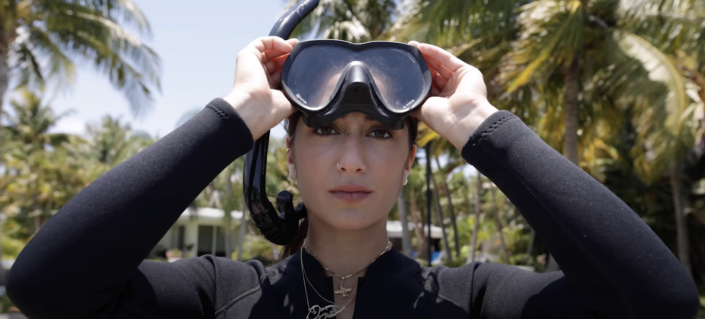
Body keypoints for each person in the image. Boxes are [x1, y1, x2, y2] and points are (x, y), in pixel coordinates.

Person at [6, 37, 701, 319]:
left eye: (378, 136)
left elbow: (661, 304)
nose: (349, 160)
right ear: (286, 152)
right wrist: (238, 114)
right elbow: (45, 285)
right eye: (325, 131)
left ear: (408, 157)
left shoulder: (477, 298)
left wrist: (481, 125)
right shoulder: (218, 293)